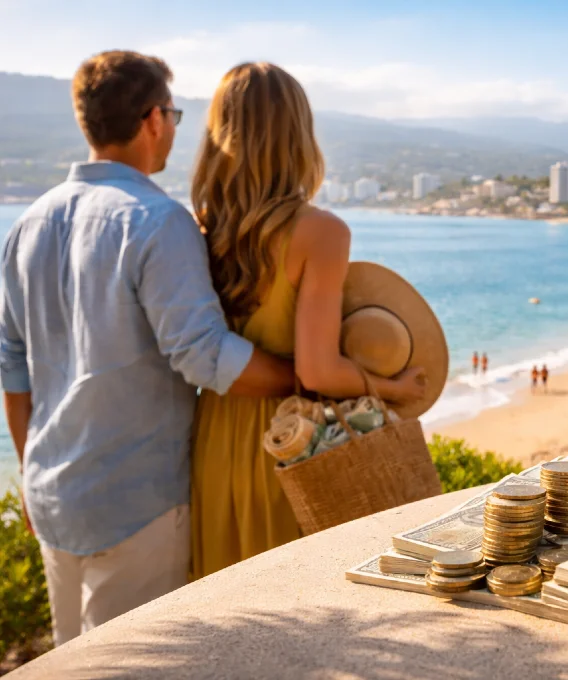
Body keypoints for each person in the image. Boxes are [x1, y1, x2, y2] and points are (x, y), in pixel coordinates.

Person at [0, 51, 296, 646]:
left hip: (53, 492)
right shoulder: (158, 221)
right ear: (152, 118)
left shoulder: (28, 224)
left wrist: (31, 467)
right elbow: (204, 356)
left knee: (74, 659)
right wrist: (304, 375)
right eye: (173, 114)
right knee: (136, 664)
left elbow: (12, 365)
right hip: (138, 503)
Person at [189, 63, 426, 579]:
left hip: (211, 439)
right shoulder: (320, 233)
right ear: (298, 134)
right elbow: (318, 372)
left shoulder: (197, 228)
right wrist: (392, 386)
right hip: (292, 439)